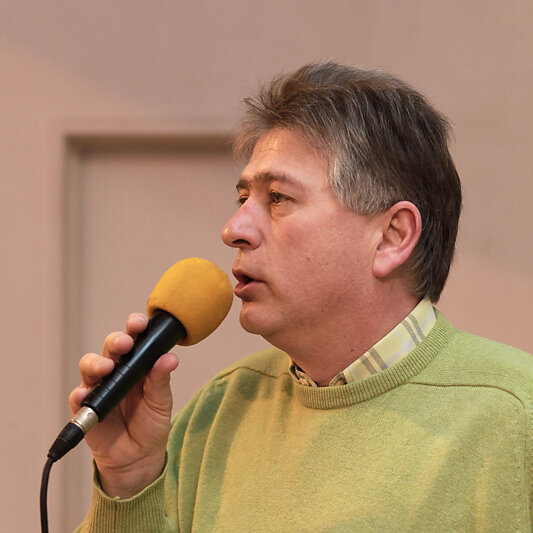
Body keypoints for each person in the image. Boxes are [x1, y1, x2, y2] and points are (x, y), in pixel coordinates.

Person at [73, 62, 532, 532]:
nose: (234, 229)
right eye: (243, 199)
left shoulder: (516, 414)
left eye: (277, 198)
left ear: (392, 236)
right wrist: (129, 480)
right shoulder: (221, 406)